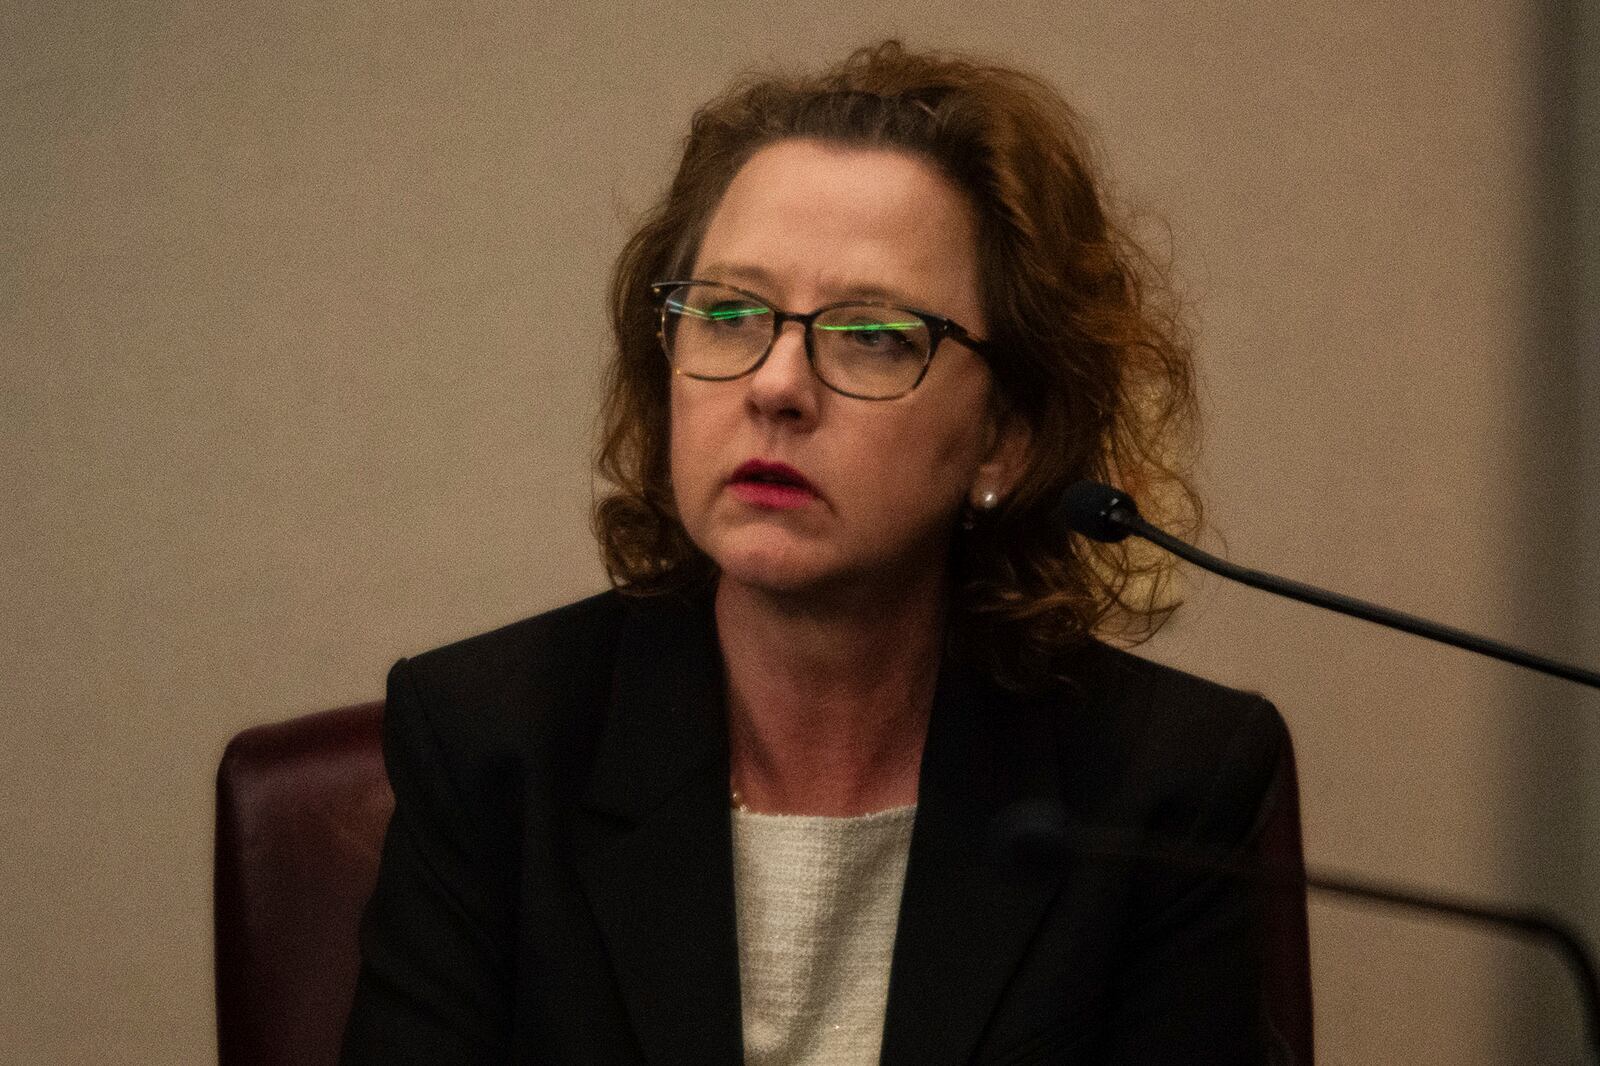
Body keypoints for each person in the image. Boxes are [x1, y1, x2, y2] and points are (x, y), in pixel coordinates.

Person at [341, 39, 1303, 1066]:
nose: (775, 384)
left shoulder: (1161, 790)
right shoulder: (495, 747)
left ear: (1005, 436)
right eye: (726, 314)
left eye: (872, 334)